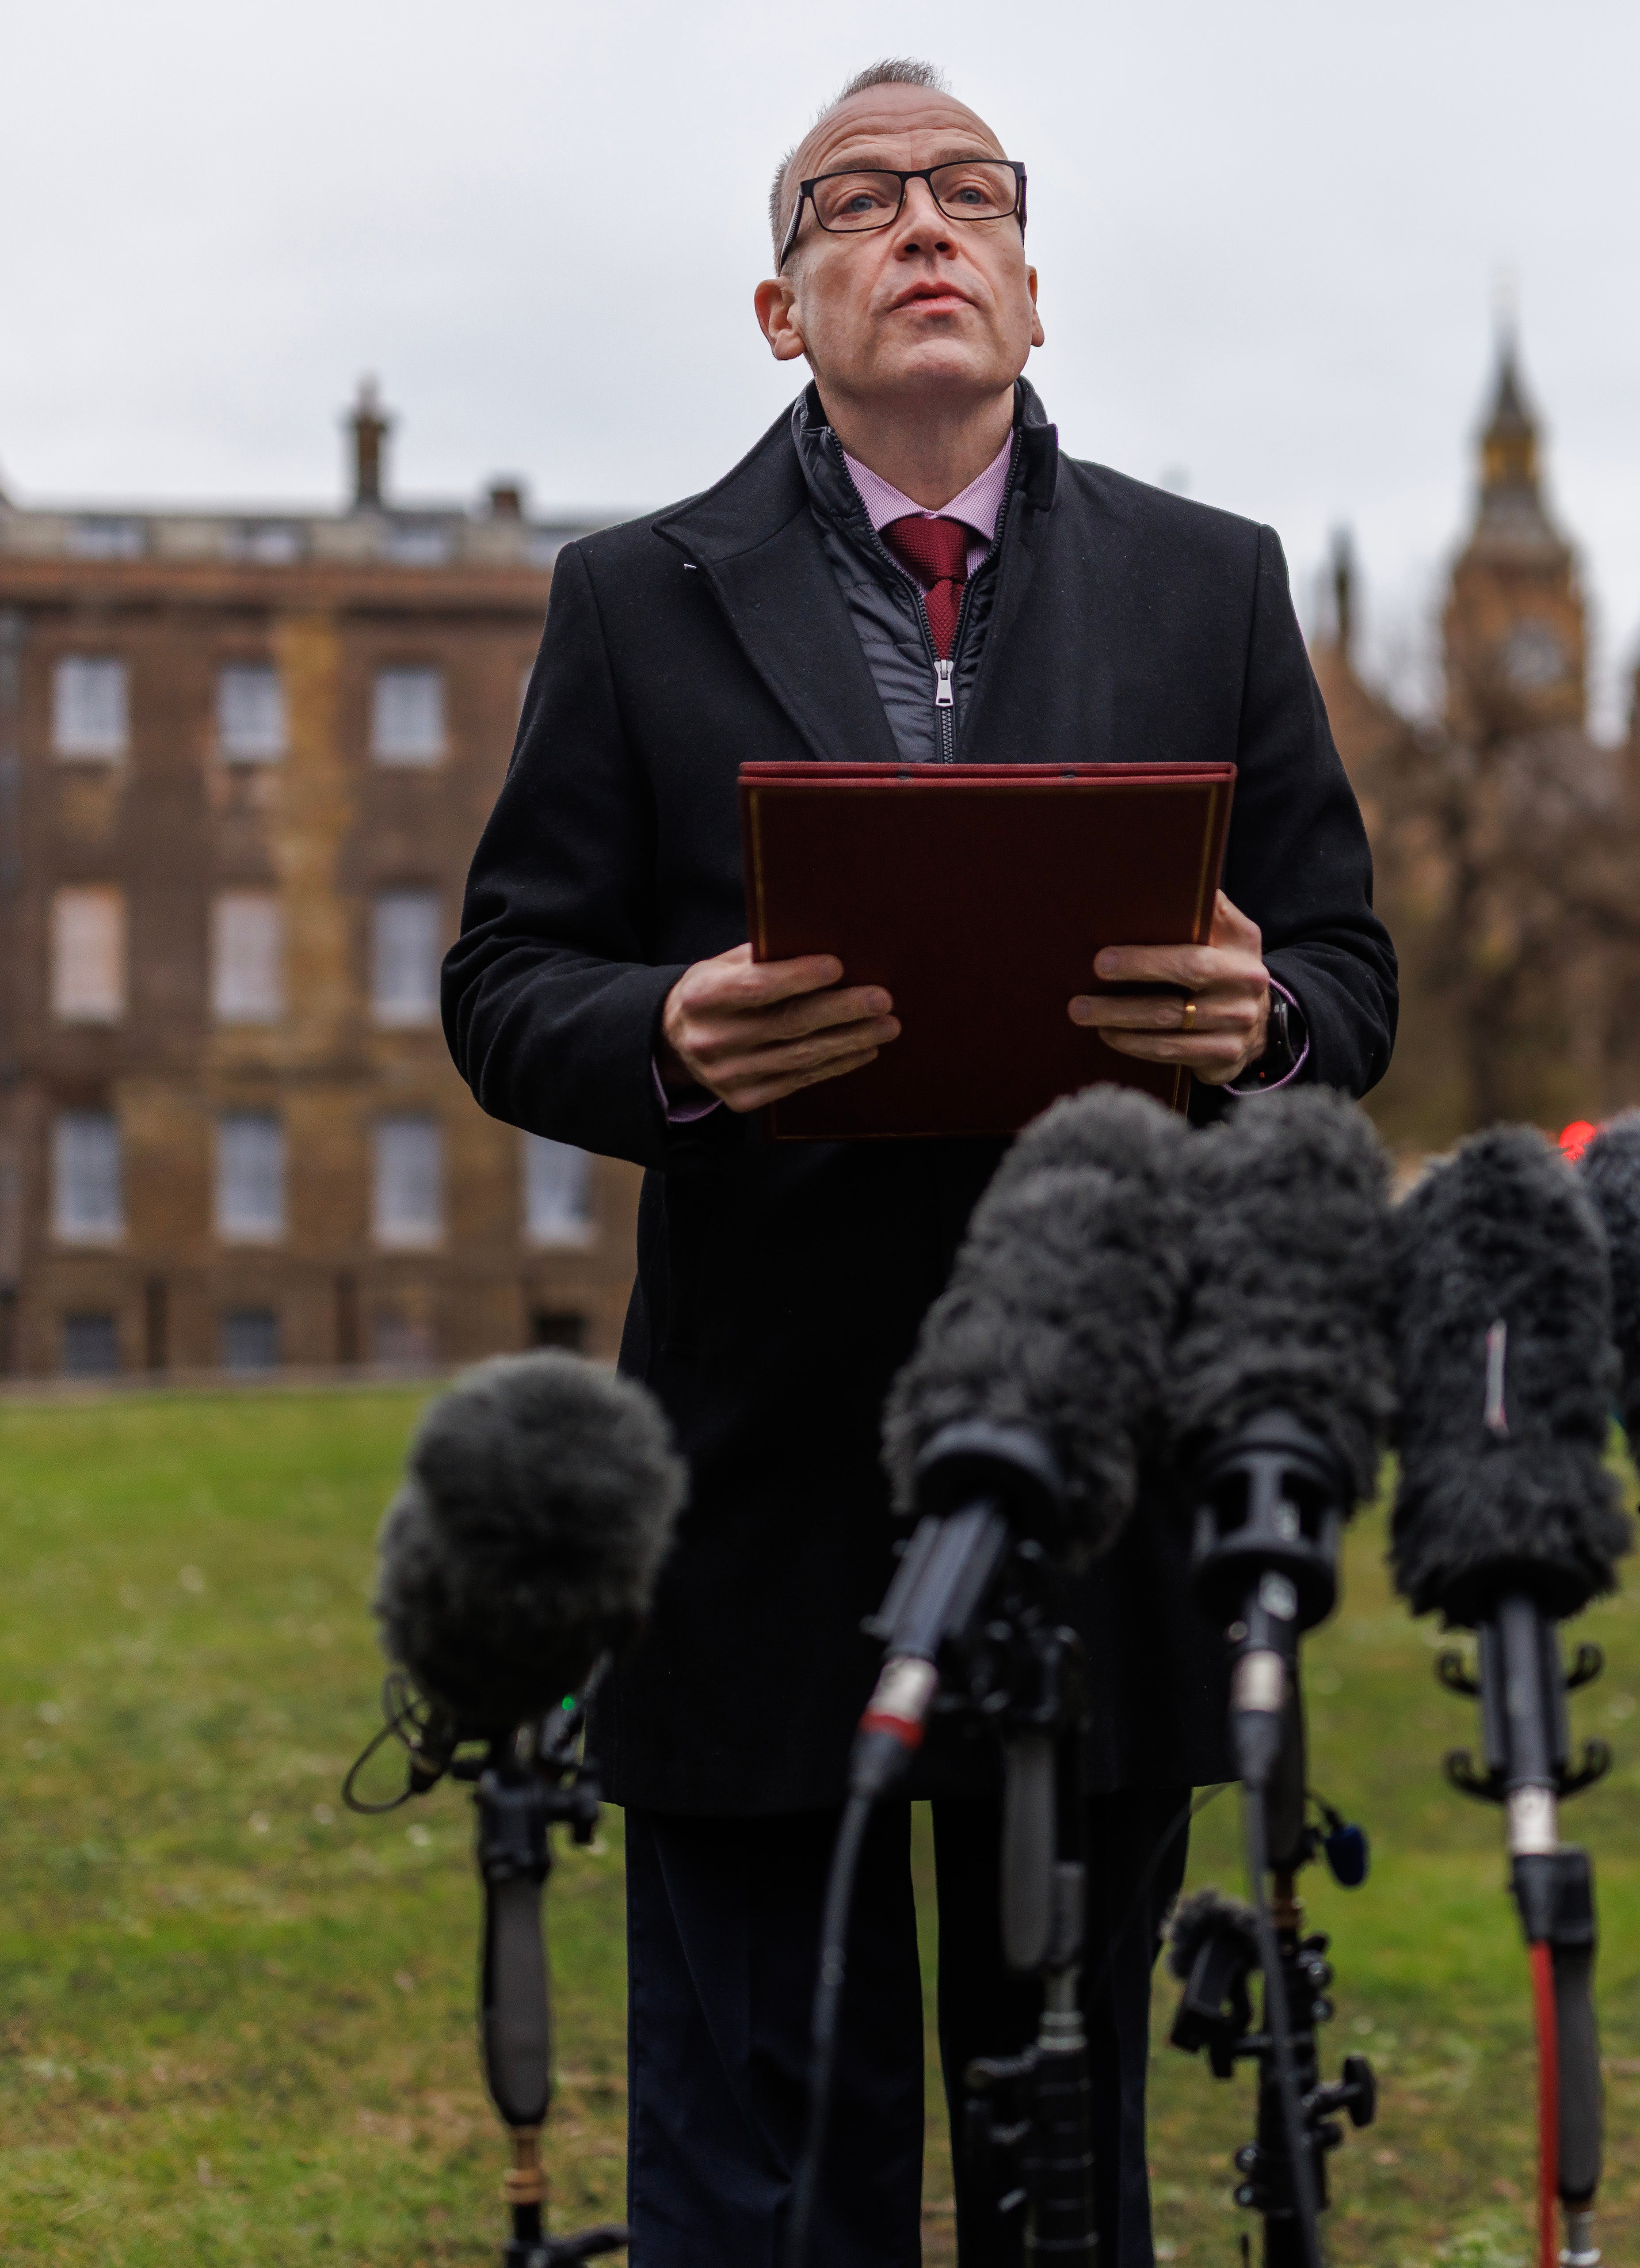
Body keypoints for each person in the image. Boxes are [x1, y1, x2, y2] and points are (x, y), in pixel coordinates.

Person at [439, 57, 1396, 2268]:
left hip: (1105, 1491)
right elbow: (506, 983)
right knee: (776, 2189)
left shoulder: (1214, 585)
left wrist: (1266, 1024)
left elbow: (1346, 972)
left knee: (1067, 2175)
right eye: (855, 201)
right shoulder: (630, 598)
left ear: (1035, 290)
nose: (921, 223)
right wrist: (667, 1032)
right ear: (784, 310)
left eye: (969, 190)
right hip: (762, 1501)